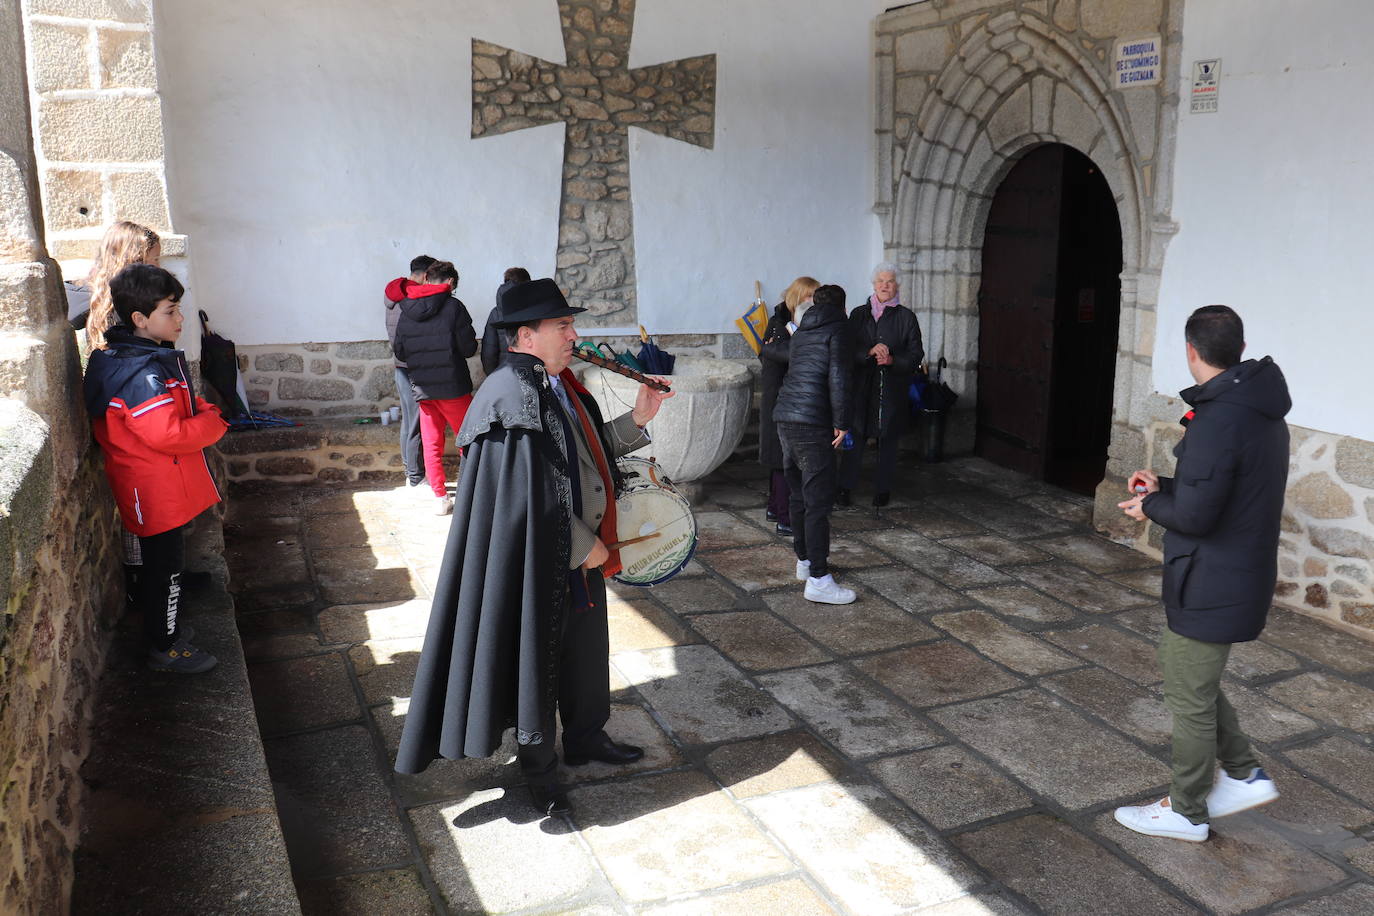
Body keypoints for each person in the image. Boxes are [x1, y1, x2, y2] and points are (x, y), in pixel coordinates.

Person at [395, 278, 673, 816]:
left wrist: (638, 419)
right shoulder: (510, 397)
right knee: (535, 664)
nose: (574, 335)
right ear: (525, 336)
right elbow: (526, 498)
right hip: (539, 564)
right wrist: (584, 546)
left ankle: (588, 737)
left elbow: (586, 456)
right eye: (562, 326)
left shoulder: (557, 384)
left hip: (577, 559)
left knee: (586, 654)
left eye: (571, 324)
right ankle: (540, 774)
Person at [1113, 305, 1290, 842]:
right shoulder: (1256, 407)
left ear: (1192, 351)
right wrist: (1164, 486)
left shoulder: (1220, 419)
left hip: (1214, 578)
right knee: (1187, 673)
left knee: (1189, 695)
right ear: (1237, 347)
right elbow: (1221, 491)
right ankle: (1244, 774)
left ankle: (1187, 810)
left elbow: (1198, 516)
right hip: (1229, 574)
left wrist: (1150, 508)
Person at [83, 264, 228, 673]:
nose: (180, 319)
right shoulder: (140, 373)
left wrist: (198, 413)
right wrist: (214, 421)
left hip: (157, 484)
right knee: (162, 570)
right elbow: (169, 434)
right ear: (140, 320)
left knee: (167, 565)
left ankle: (166, 630)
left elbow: (181, 407)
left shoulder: (141, 358)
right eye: (171, 311)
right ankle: (164, 647)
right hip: (152, 488)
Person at [772, 284, 856, 605]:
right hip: (812, 422)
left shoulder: (804, 330)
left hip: (786, 416)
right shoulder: (839, 329)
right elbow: (838, 376)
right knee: (818, 501)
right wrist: (842, 422)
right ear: (843, 307)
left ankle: (805, 562)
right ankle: (820, 579)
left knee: (798, 494)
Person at [392, 260, 479, 515]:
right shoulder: (454, 307)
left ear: (428, 280)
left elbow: (400, 351)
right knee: (470, 438)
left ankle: (440, 497)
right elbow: (468, 348)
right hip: (453, 388)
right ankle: (470, 492)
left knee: (431, 443)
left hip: (423, 387)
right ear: (451, 283)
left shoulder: (406, 307)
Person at [839, 261, 923, 508]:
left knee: (887, 440)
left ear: (897, 285)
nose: (885, 286)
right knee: (855, 437)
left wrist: (892, 360)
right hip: (861, 387)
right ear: (873, 284)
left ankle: (882, 489)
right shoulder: (858, 314)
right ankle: (845, 488)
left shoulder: (906, 317)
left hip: (891, 388)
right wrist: (868, 351)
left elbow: (916, 355)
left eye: (890, 281)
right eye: (881, 281)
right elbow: (846, 350)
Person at [759, 277, 819, 537]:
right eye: (810, 296)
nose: (813, 301)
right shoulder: (781, 324)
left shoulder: (795, 324)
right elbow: (778, 354)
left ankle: (775, 507)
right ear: (798, 297)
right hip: (780, 399)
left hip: (785, 399)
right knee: (784, 461)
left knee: (781, 460)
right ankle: (785, 517)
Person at [384, 254, 436, 490]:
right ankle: (415, 478)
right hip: (414, 368)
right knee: (416, 424)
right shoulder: (413, 298)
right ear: (426, 275)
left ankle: (411, 472)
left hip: (400, 366)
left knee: (409, 422)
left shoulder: (395, 295)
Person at [81, 220, 162, 346]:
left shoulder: (103, 299)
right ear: (136, 261)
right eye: (156, 259)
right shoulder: (129, 305)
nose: (159, 267)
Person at [480, 266, 531, 376]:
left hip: (505, 372)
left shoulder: (495, 313)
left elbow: (489, 351)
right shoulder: (534, 307)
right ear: (527, 282)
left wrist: (492, 376)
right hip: (531, 370)